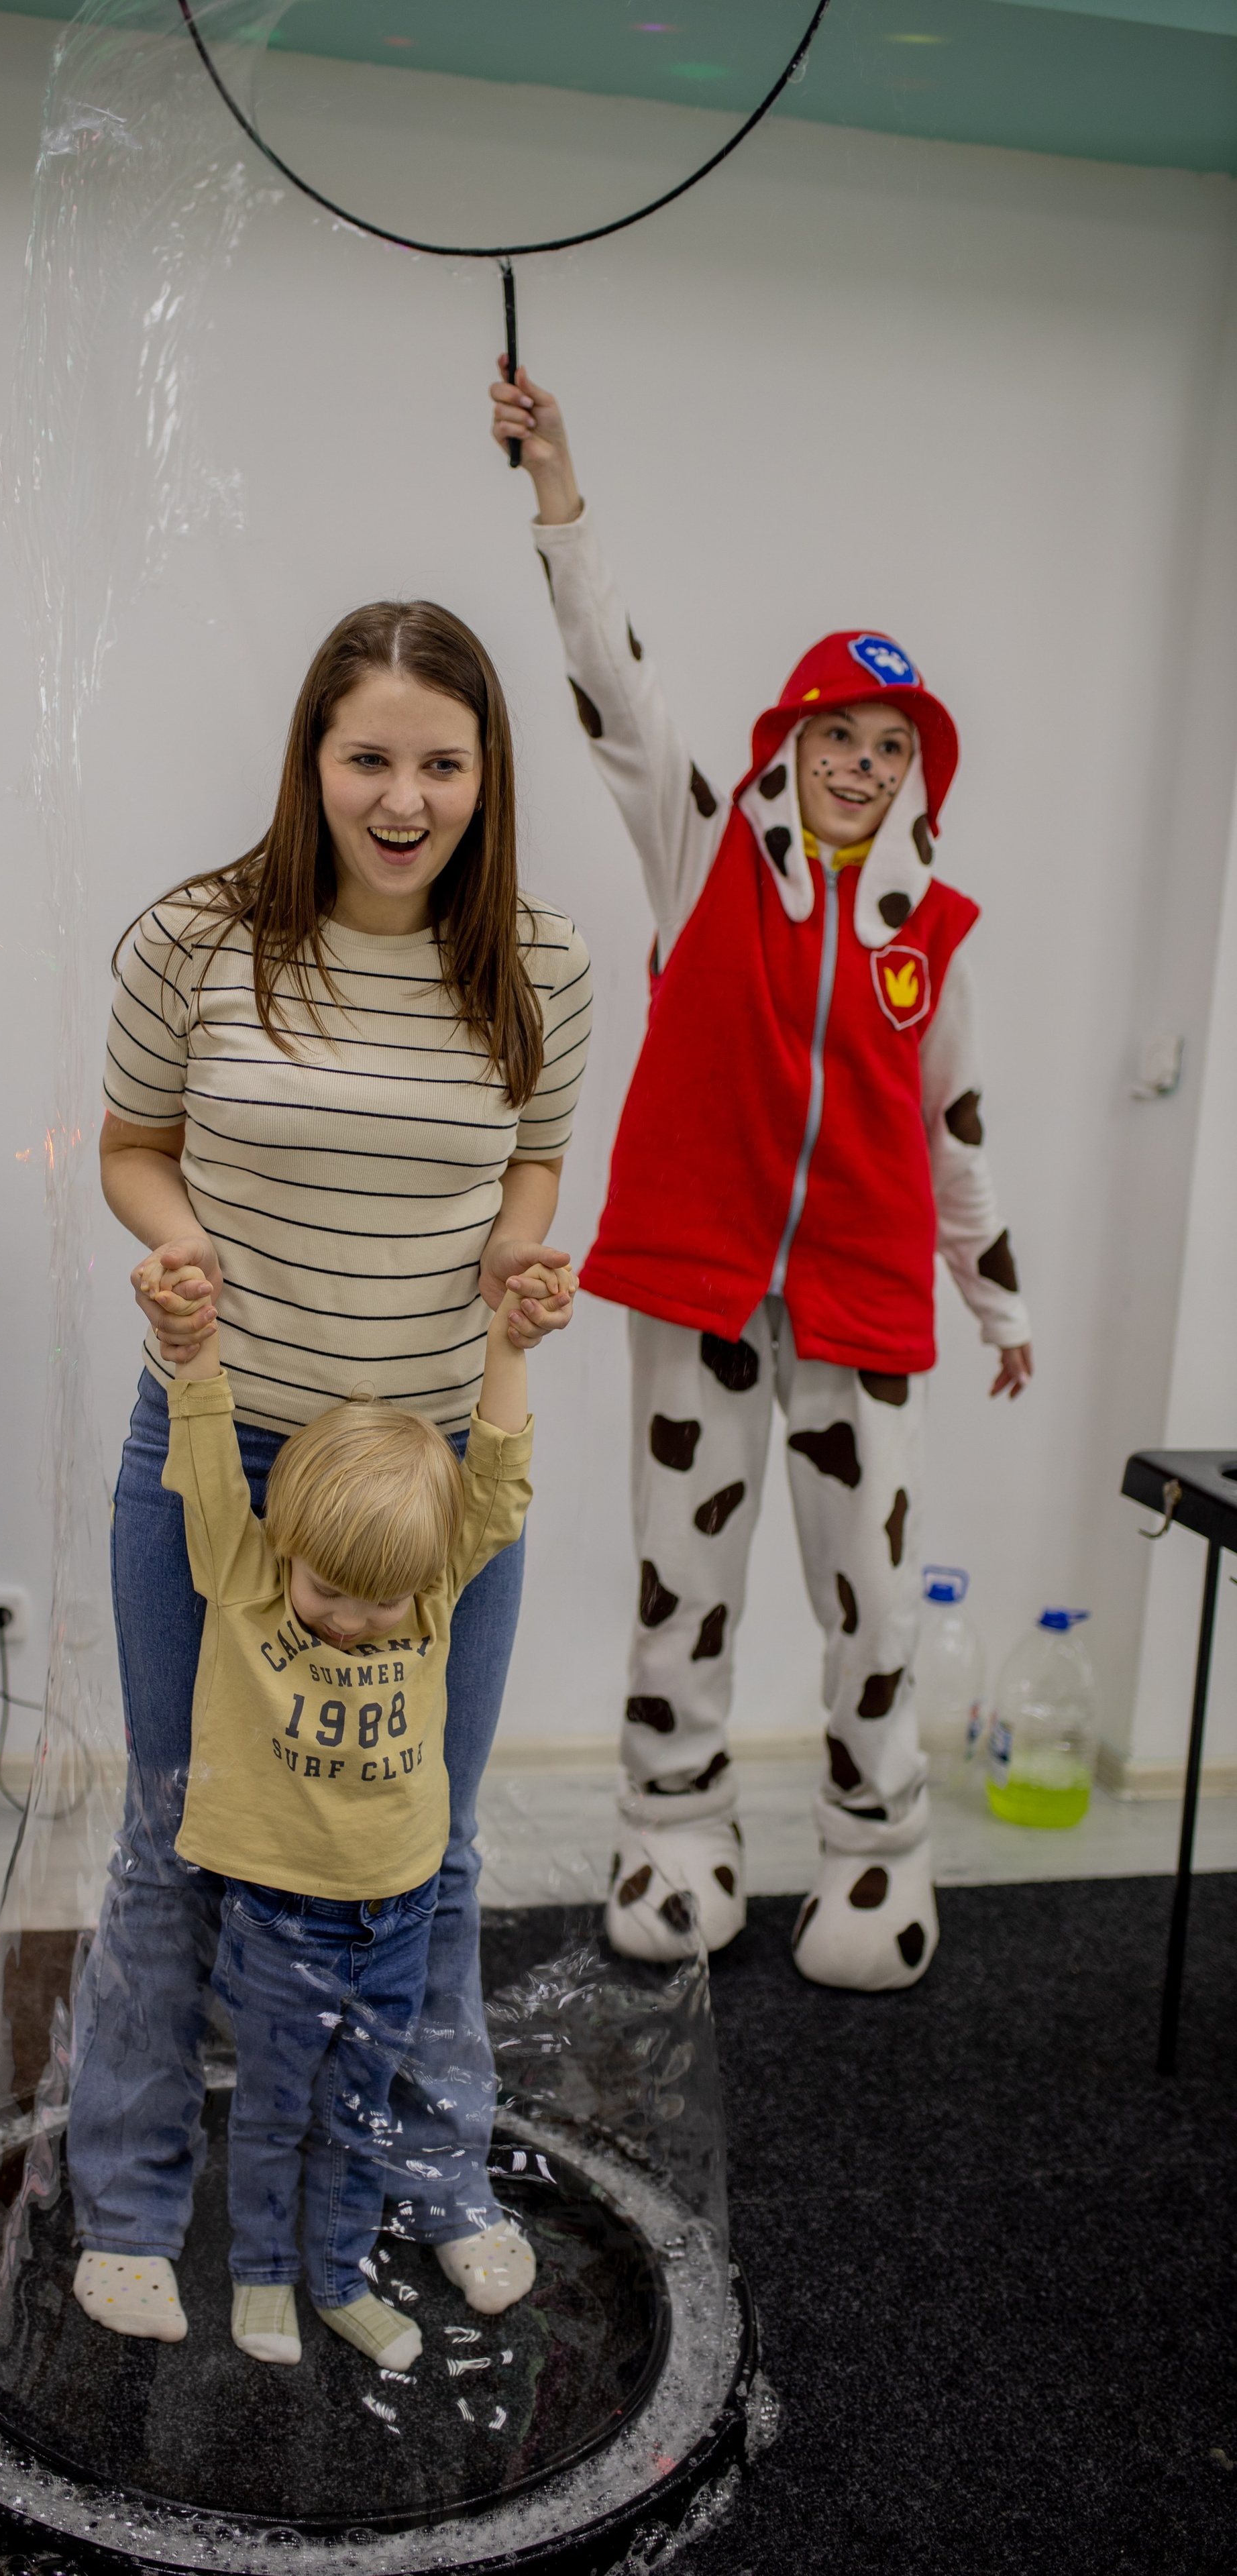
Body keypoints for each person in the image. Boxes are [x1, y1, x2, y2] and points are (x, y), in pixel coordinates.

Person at [65, 597, 592, 2334]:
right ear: (311, 759)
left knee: (433, 1838)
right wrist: (180, 1247)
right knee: (175, 1825)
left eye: (442, 763)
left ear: (485, 776)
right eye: (369, 757)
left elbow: (532, 1164)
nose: (403, 798)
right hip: (222, 1447)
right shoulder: (196, 937)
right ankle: (132, 2202)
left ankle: (433, 2175)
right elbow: (132, 1145)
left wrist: (518, 1260)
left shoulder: (541, 962)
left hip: (432, 1481)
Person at [487, 364, 1032, 1994]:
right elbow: (613, 685)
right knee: (684, 1577)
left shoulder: (932, 939)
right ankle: (672, 1831)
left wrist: (994, 1298)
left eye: (889, 746)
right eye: (834, 734)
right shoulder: (702, 849)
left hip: (861, 1297)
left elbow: (954, 1124)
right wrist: (558, 492)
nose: (858, 764)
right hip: (698, 1279)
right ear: (788, 741)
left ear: (916, 772)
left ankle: (878, 1850)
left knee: (868, 1596)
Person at [81, 1256, 551, 2370]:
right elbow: (207, 1469)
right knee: (271, 2109)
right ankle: (258, 2278)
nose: (348, 1621)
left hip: (395, 1918)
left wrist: (509, 1347)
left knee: (357, 2111)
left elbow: (496, 1484)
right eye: (327, 1591)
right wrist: (194, 1351)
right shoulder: (247, 1578)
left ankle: (340, 2278)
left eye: (376, 1601)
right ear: (286, 1546)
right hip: (276, 1922)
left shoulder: (431, 1591)